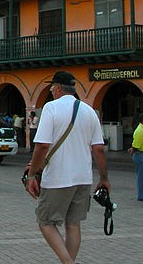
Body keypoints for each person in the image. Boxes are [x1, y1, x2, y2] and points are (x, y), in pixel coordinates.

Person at [25, 71, 109, 264]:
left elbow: (42, 145)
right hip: (83, 178)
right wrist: (104, 178)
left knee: (45, 221)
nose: (51, 90)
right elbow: (99, 149)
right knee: (73, 224)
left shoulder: (51, 108)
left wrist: (32, 175)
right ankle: (69, 261)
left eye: (52, 87)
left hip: (58, 177)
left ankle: (69, 262)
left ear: (59, 87)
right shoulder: (89, 111)